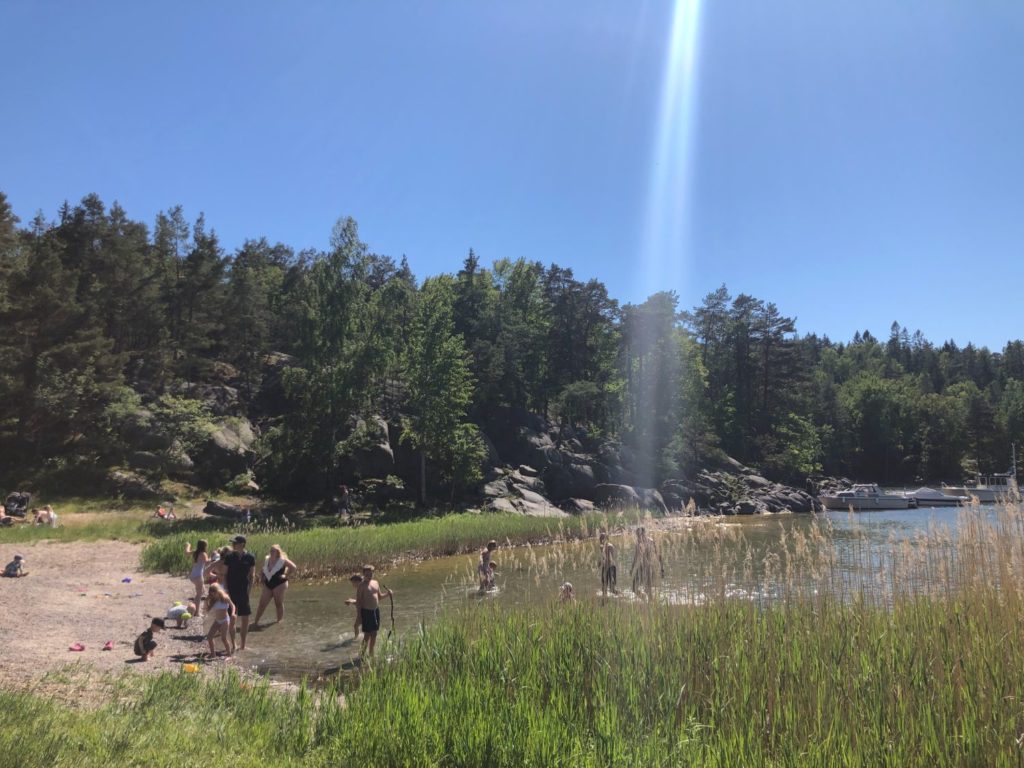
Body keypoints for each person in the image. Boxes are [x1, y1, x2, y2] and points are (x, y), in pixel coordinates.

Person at [222, 535, 256, 651]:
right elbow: (225, 575)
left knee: (245, 618)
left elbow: (252, 576)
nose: (232, 545)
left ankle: (243, 645)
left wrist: (249, 590)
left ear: (242, 544)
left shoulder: (250, 557)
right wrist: (226, 590)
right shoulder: (229, 557)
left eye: (235, 543)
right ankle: (233, 644)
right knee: (232, 618)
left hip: (244, 591)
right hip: (231, 591)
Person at [252, 544, 297, 627]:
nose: (271, 552)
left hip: (279, 583)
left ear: (277, 552)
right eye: (271, 550)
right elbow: (263, 568)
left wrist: (286, 575)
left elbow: (293, 567)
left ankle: (279, 621)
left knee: (278, 603)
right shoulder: (267, 559)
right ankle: (256, 621)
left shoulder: (282, 560)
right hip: (268, 583)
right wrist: (261, 577)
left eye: (273, 551)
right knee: (262, 603)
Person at [354, 564, 392, 658]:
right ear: (363, 574)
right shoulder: (361, 586)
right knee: (367, 635)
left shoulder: (375, 582)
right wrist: (359, 616)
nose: (369, 575)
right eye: (367, 574)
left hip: (375, 611)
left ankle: (371, 653)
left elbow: (379, 597)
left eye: (371, 573)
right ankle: (362, 655)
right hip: (366, 612)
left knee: (374, 634)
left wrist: (388, 594)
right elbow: (358, 602)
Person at [630, 527, 664, 600]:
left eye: (639, 535)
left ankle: (650, 604)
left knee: (648, 589)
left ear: (644, 534)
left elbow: (658, 555)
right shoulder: (638, 543)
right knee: (633, 588)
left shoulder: (650, 541)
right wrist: (632, 568)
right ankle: (644, 598)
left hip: (649, 568)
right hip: (641, 567)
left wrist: (662, 568)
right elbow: (636, 557)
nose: (638, 537)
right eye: (637, 535)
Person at [205, 584, 235, 658]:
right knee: (209, 637)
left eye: (214, 593)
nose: (213, 595)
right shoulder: (213, 600)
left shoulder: (225, 598)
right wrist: (206, 600)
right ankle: (213, 654)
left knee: (223, 638)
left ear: (218, 591)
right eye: (212, 594)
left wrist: (233, 613)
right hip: (217, 620)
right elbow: (206, 609)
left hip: (225, 620)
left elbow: (233, 605)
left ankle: (229, 655)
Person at [185, 539, 210, 615]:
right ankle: (196, 612)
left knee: (201, 591)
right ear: (204, 546)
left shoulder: (195, 552)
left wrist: (188, 546)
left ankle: (193, 608)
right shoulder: (203, 554)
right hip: (198, 576)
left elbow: (187, 553)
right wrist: (214, 557)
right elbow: (207, 563)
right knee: (199, 595)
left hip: (193, 575)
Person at [345, 573, 363, 640]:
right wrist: (351, 600)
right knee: (356, 626)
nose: (352, 585)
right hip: (360, 612)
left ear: (357, 581)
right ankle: (357, 638)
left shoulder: (361, 589)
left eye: (353, 583)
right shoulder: (360, 588)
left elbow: (362, 602)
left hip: (362, 612)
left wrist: (351, 601)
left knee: (356, 626)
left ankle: (356, 639)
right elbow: (359, 601)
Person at [599, 530, 618, 596]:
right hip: (605, 567)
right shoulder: (601, 547)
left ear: (606, 538)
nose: (601, 540)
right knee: (604, 587)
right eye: (600, 538)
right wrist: (600, 562)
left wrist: (607, 568)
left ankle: (620, 597)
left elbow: (611, 559)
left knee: (612, 588)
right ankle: (605, 601)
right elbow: (603, 556)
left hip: (611, 567)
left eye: (602, 538)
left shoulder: (610, 546)